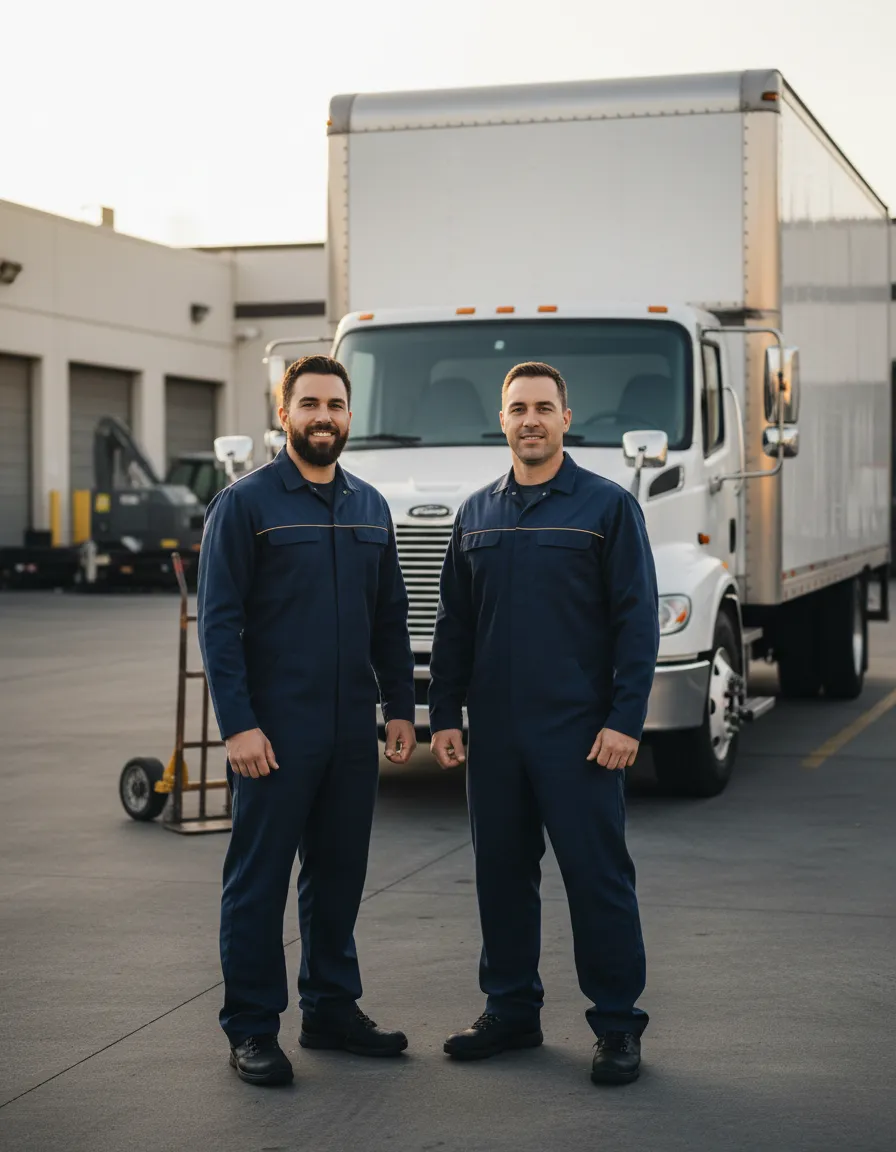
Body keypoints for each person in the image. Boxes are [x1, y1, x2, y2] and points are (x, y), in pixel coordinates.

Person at [429, 361, 659, 1086]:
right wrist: (444, 715)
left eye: (543, 407)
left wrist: (625, 719)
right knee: (500, 876)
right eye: (517, 408)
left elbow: (637, 621)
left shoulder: (607, 508)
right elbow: (453, 627)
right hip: (495, 735)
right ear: (502, 420)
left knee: (597, 881)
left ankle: (618, 1026)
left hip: (581, 737)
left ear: (566, 418)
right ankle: (511, 1012)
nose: (530, 419)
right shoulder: (475, 514)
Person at [198, 354, 416, 1086]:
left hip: (352, 732)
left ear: (350, 416)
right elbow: (220, 627)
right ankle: (252, 1029)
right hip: (273, 734)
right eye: (310, 404)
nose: (324, 416)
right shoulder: (246, 505)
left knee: (338, 877)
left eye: (336, 404)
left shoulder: (369, 506)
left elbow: (390, 618)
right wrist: (238, 726)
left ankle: (329, 1009)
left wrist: (400, 709)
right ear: (283, 413)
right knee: (257, 885)